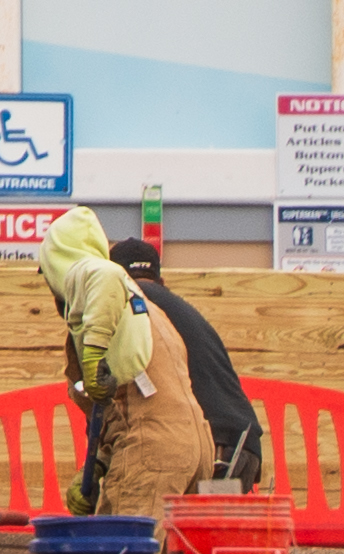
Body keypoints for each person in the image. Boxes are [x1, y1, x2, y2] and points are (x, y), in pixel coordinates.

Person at [118, 226, 270, 497]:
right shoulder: (182, 309)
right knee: (203, 524)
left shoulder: (132, 307)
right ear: (162, 281)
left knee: (151, 517)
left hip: (214, 448)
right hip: (241, 446)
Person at [30, 209, 160, 511]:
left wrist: (92, 354)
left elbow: (107, 274)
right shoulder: (124, 312)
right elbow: (118, 415)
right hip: (158, 445)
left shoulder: (96, 276)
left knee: (117, 540)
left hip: (148, 453)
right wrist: (96, 466)